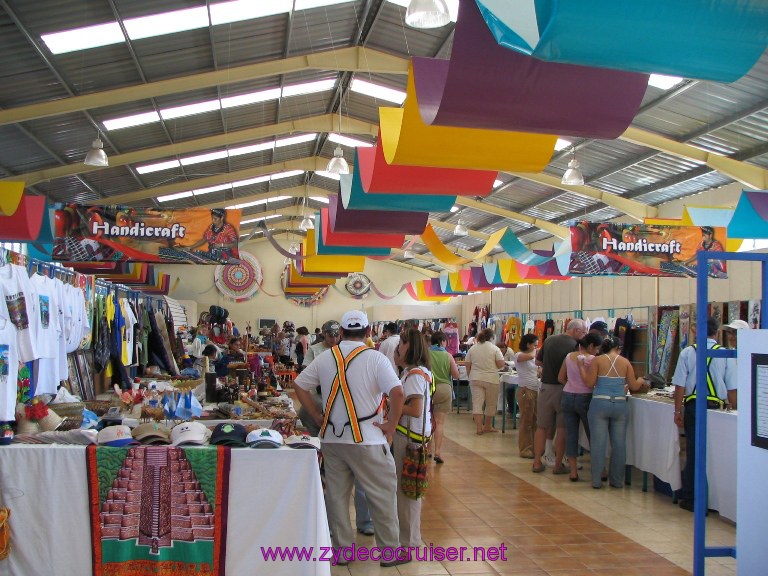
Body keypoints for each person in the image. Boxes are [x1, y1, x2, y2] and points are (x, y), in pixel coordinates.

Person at [293, 310, 408, 567]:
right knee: (382, 495)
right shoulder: (376, 359)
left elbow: (299, 385)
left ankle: (342, 551)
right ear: (368, 332)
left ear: (341, 333)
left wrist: (315, 414)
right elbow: (398, 393)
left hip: (332, 439)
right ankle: (389, 551)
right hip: (369, 439)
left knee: (336, 496)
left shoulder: (325, 357)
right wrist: (391, 424)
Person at [301, 319, 373, 537]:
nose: (333, 339)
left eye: (336, 336)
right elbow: (305, 382)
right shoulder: (317, 353)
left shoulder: (356, 353)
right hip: (323, 413)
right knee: (332, 477)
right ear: (324, 335)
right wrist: (315, 413)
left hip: (354, 419)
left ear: (341, 334)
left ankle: (365, 520)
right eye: (329, 336)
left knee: (360, 476)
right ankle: (332, 523)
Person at [672, 317, 737, 511]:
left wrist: (677, 410)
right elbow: (732, 388)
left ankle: (692, 498)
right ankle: (716, 499)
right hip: (716, 409)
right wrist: (736, 409)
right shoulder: (726, 354)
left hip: (693, 407)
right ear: (716, 333)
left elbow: (680, 385)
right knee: (714, 453)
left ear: (696, 331)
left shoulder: (687, 353)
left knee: (694, 451)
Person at [579, 336, 649, 489]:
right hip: (619, 404)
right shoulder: (625, 362)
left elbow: (590, 383)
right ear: (618, 348)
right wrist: (641, 380)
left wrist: (582, 369)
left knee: (598, 444)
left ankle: (597, 480)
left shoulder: (597, 361)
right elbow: (634, 386)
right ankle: (617, 480)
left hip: (600, 403)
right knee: (619, 444)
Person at [393, 328, 433, 548]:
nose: (398, 347)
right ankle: (408, 538)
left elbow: (416, 409)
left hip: (410, 438)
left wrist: (392, 406)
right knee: (408, 490)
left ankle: (409, 542)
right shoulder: (414, 372)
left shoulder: (415, 375)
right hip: (413, 436)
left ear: (409, 346)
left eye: (401, 343)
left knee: (408, 492)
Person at [532, 319, 587, 474]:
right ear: (576, 331)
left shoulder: (549, 340)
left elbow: (538, 361)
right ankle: (558, 464)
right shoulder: (575, 347)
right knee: (562, 428)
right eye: (583, 332)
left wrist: (549, 366)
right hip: (565, 388)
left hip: (546, 388)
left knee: (541, 426)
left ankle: (537, 462)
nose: (583, 336)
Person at [558, 332, 602, 481]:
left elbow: (560, 377)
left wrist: (571, 386)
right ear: (590, 346)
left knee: (571, 435)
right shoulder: (593, 360)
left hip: (568, 396)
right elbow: (595, 381)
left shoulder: (569, 356)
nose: (597, 352)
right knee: (593, 434)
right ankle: (599, 470)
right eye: (597, 349)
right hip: (586, 398)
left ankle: (573, 471)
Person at [465, 328, 505, 435]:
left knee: (477, 403)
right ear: (492, 337)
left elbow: (467, 364)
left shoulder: (473, 348)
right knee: (491, 404)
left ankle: (479, 428)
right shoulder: (495, 349)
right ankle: (487, 426)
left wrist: (470, 376)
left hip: (475, 378)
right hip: (491, 379)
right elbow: (501, 364)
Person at [428, 331, 459, 464]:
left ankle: (427, 450)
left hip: (428, 388)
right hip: (444, 388)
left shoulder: (426, 355)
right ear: (442, 341)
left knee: (428, 420)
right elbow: (456, 375)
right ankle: (438, 452)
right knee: (440, 422)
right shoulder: (448, 356)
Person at [514, 333, 540, 459]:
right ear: (528, 345)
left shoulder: (533, 357)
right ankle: (525, 448)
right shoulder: (519, 355)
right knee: (526, 420)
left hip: (535, 389)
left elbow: (536, 369)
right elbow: (530, 356)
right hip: (526, 389)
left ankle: (535, 447)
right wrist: (536, 351)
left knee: (535, 419)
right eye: (534, 345)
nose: (536, 347)